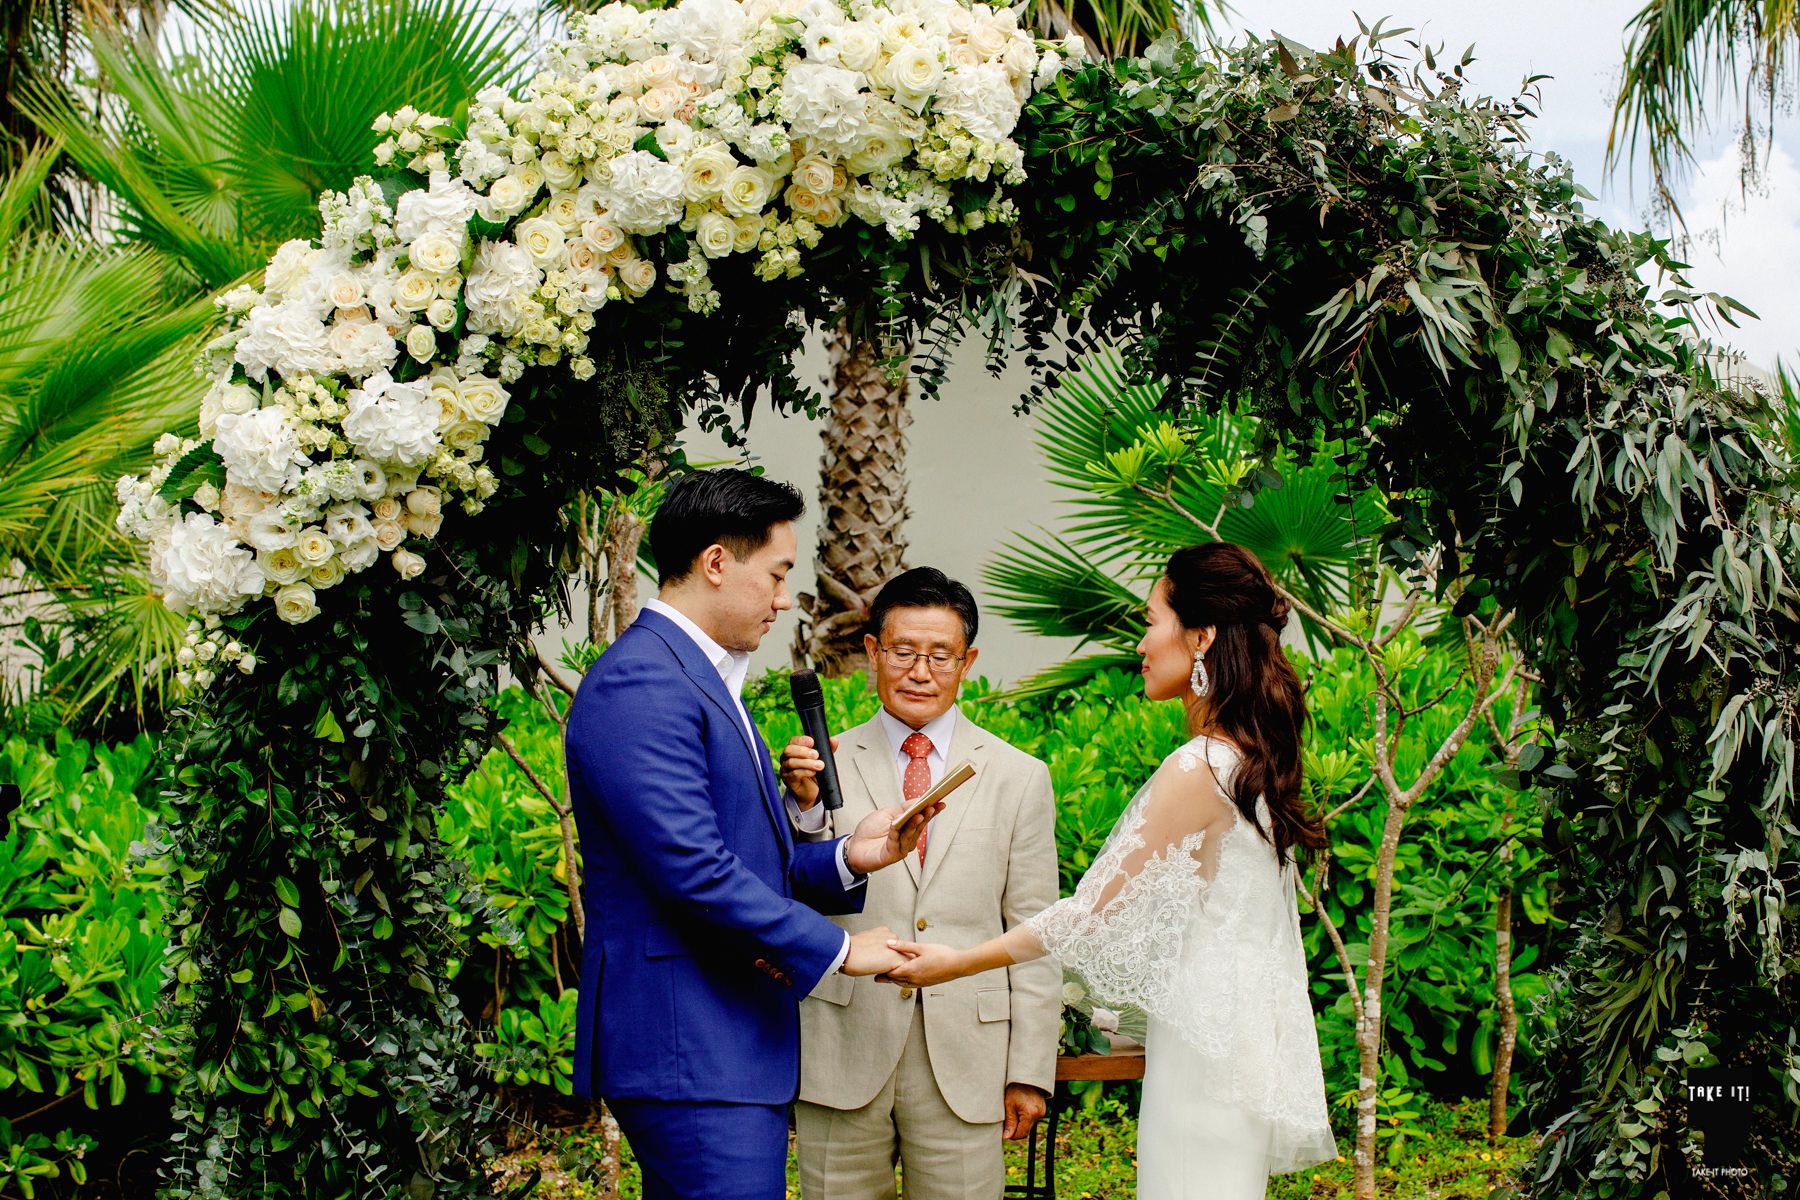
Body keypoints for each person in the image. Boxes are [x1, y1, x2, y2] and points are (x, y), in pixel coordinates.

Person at [882, 542, 1339, 1199]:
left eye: (1151, 621)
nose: (1141, 644)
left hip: (1202, 1071)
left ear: (1201, 637)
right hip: (1233, 1052)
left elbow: (1088, 915)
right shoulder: (1247, 762)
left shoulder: (1199, 768)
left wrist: (953, 963)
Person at [564, 468, 941, 1200]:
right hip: (690, 1043)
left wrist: (847, 857)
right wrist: (836, 948)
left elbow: (745, 860)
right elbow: (692, 871)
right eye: (775, 575)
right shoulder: (643, 681)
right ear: (714, 563)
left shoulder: (700, 678)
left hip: (722, 1043)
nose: (782, 599)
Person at [778, 567, 1060, 1200]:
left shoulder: (1020, 777)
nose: (920, 670)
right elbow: (791, 892)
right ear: (875, 652)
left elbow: (1035, 931)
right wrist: (805, 811)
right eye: (903, 652)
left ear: (968, 662)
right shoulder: (820, 765)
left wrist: (1031, 1071)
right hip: (841, 1046)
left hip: (968, 1056)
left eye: (940, 655)